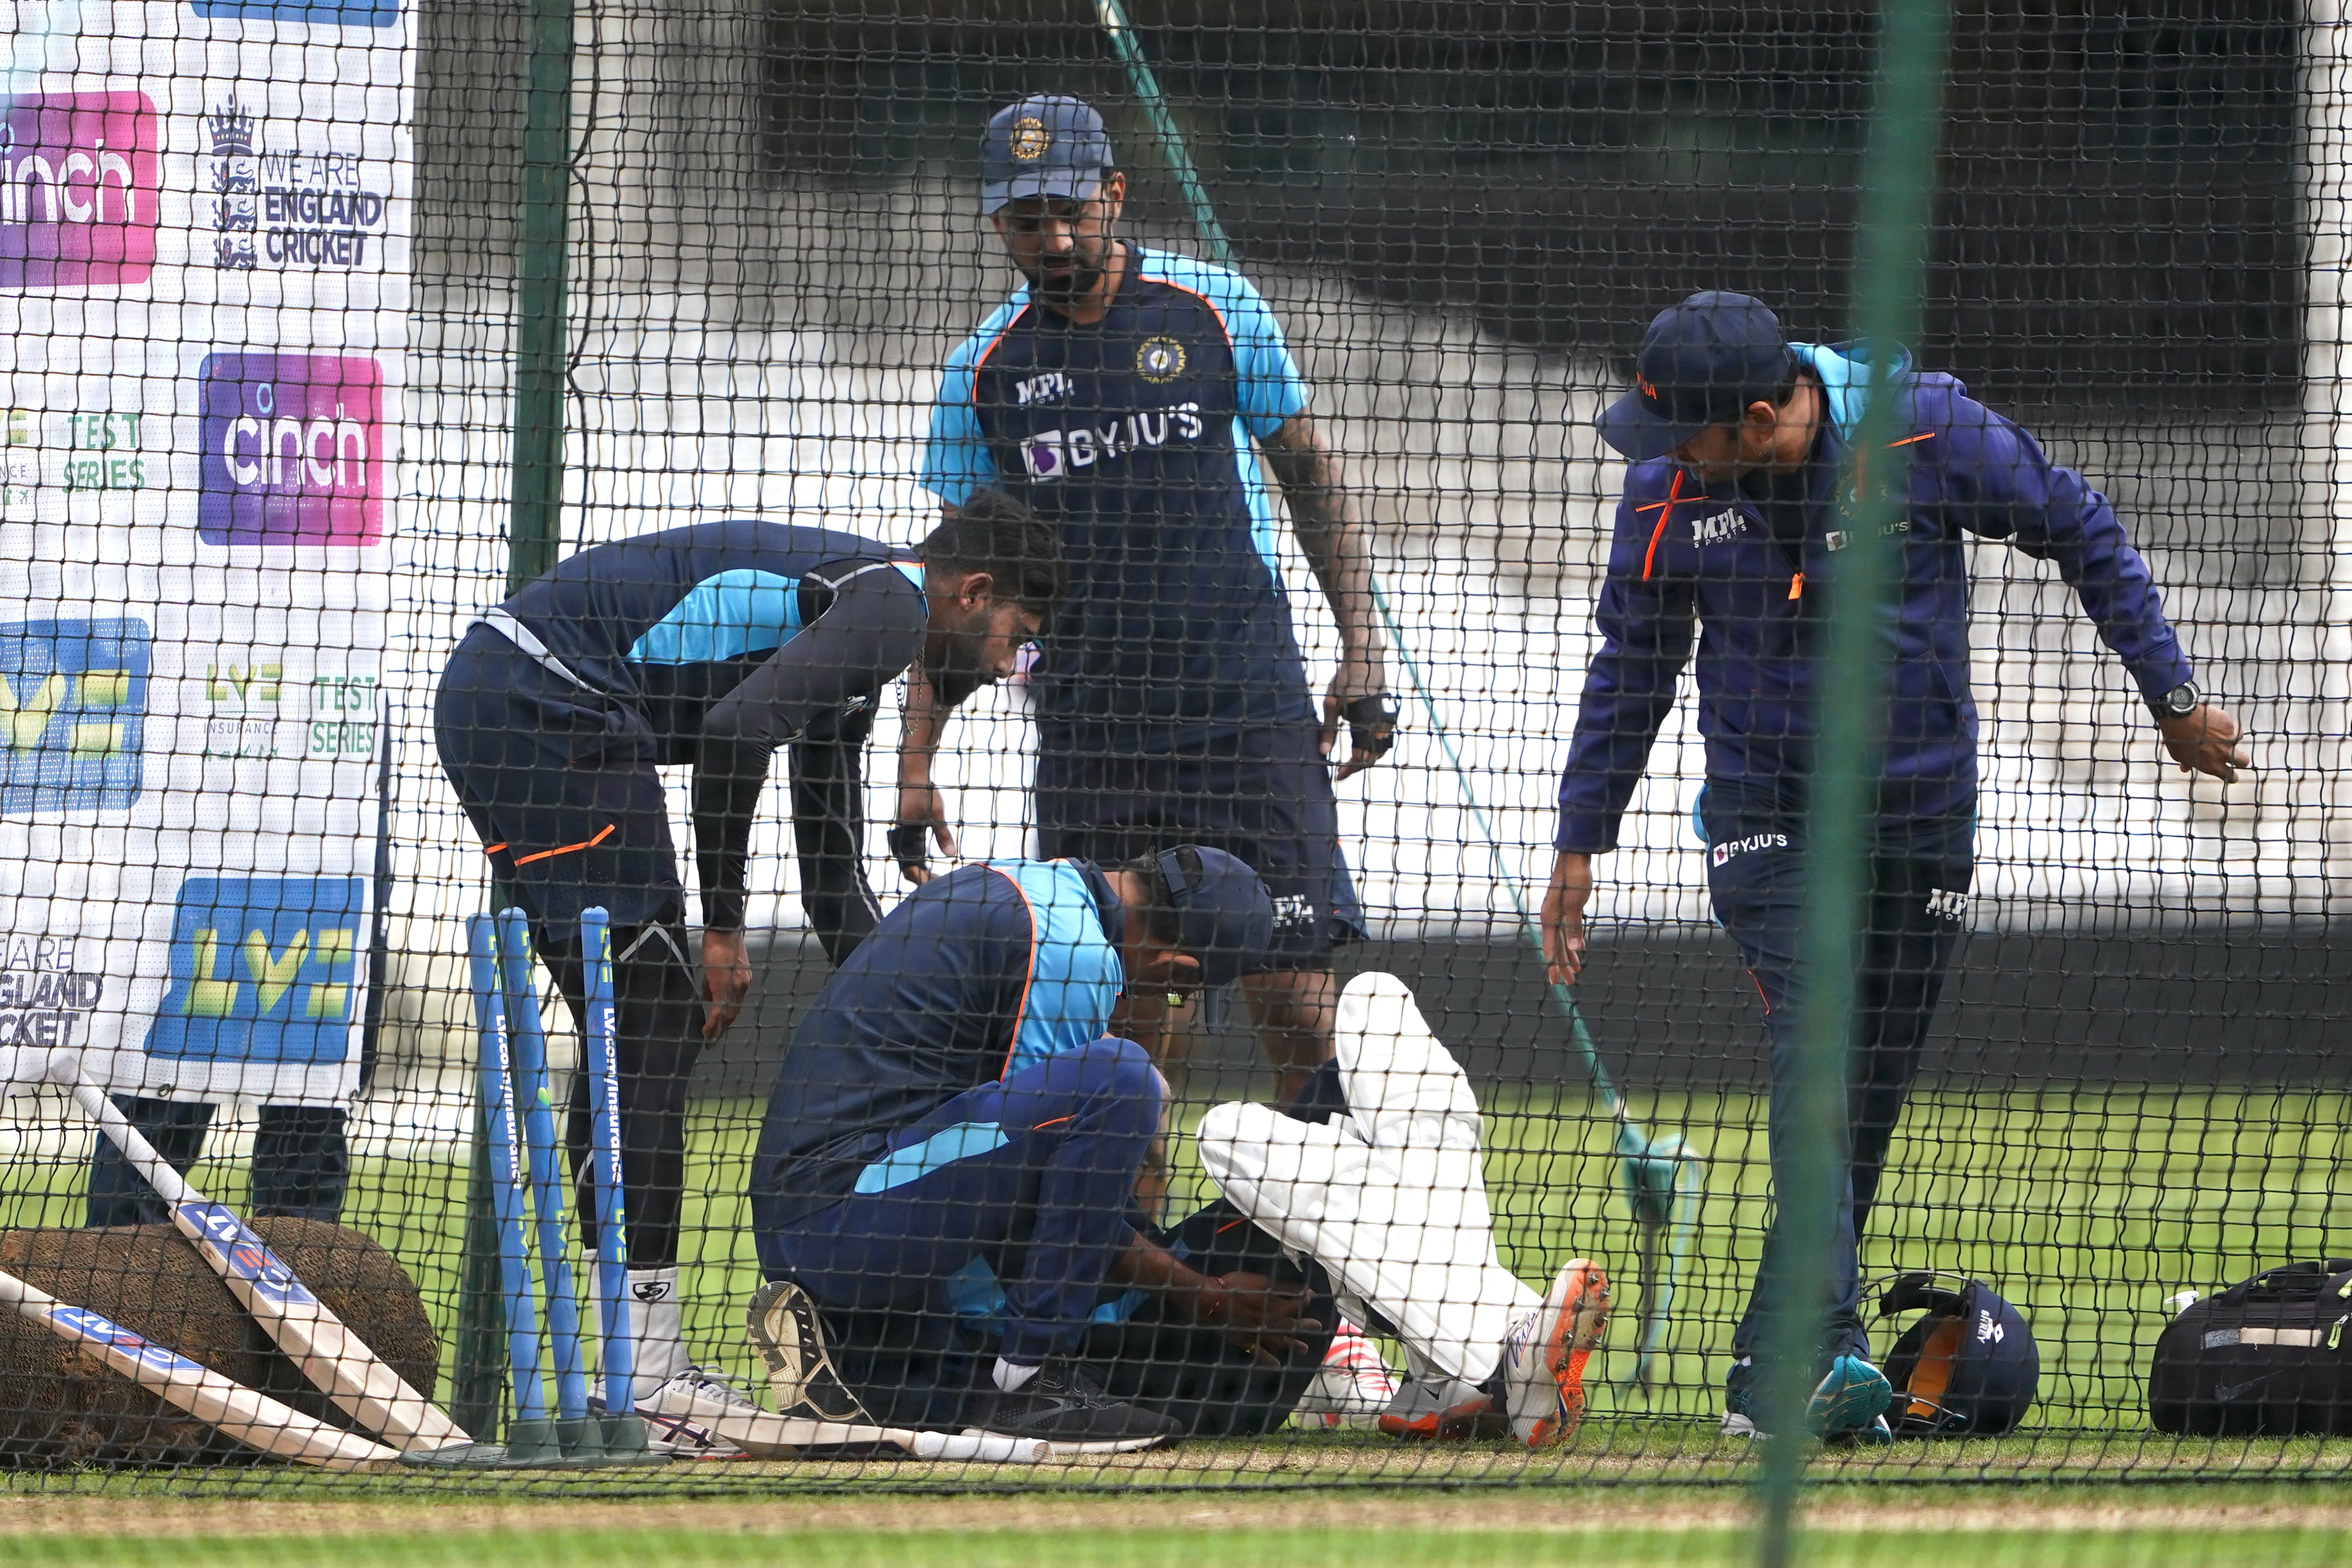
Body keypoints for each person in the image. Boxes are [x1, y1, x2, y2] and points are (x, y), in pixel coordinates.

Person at [1536, 292, 2250, 1439]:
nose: (1667, 455)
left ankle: (1766, 1382)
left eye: (1688, 435)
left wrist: (2169, 697)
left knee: (1858, 1101)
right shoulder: (1667, 492)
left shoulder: (1926, 428)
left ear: (1762, 418)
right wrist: (1580, 840)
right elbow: (1631, 668)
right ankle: (1823, 1351)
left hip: (1922, 818)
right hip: (1765, 820)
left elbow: (2080, 525)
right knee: (1815, 1047)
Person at [434, 495, 1060, 1426]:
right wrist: (722, 926)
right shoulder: (888, 604)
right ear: (974, 592)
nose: (1013, 664)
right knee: (650, 1012)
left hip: (509, 695)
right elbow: (733, 734)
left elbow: (833, 883)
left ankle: (628, 1363)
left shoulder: (857, 647)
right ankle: (644, 1375)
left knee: (631, 1023)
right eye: (1021, 637)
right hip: (547, 697)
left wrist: (926, 1020)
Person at [901, 93, 1398, 1102]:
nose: (1049, 236)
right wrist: (916, 761)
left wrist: (1363, 646)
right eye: (1023, 218)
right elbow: (950, 594)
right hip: (1094, 736)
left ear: (1115, 195)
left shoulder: (1211, 307)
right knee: (1128, 1038)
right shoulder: (982, 373)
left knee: (1299, 1005)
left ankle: (1324, 1259)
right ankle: (1128, 1257)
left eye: (1068, 209)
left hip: (1247, 712)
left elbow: (1309, 473)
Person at [744, 845, 1328, 1451]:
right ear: (1176, 965)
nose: (1168, 998)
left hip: (843, 1204)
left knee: (1113, 1096)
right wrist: (1199, 1294)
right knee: (1122, 1077)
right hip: (842, 1223)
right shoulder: (1071, 953)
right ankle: (1025, 1381)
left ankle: (876, 1365)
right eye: (1181, 991)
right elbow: (1036, 1185)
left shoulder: (1041, 887)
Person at [1197, 971, 1612, 1447]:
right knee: (1227, 1132)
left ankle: (1444, 1380)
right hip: (1185, 1357)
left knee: (1375, 1002)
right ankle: (1500, 1358)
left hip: (1272, 1323)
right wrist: (1201, 1293)